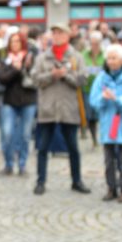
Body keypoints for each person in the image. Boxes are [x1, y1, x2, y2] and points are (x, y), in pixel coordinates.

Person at [31, 23, 91, 196]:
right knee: (42, 148)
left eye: (60, 33)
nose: (57, 36)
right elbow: (35, 79)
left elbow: (82, 79)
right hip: (47, 110)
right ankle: (40, 181)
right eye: (54, 33)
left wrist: (66, 76)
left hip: (68, 109)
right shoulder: (43, 58)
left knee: (73, 147)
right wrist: (52, 75)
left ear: (67, 36)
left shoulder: (77, 57)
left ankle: (76, 180)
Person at [88, 44, 122, 203]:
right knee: (108, 159)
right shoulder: (101, 77)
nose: (111, 61)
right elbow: (94, 100)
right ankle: (111, 187)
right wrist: (103, 99)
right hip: (108, 123)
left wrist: (117, 99)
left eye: (114, 58)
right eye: (109, 58)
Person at [0, 32, 37, 176]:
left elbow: (35, 77)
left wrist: (24, 69)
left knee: (25, 135)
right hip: (9, 100)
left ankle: (22, 164)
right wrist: (15, 69)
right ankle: (8, 164)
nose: (15, 44)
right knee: (7, 134)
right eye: (12, 41)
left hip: (28, 100)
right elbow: (2, 78)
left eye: (18, 41)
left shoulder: (30, 57)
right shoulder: (4, 59)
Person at [81, 31, 105, 148]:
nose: (94, 45)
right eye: (92, 43)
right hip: (88, 89)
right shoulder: (84, 54)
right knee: (90, 115)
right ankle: (94, 138)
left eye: (97, 43)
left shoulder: (105, 54)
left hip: (102, 90)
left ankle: (103, 136)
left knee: (101, 114)